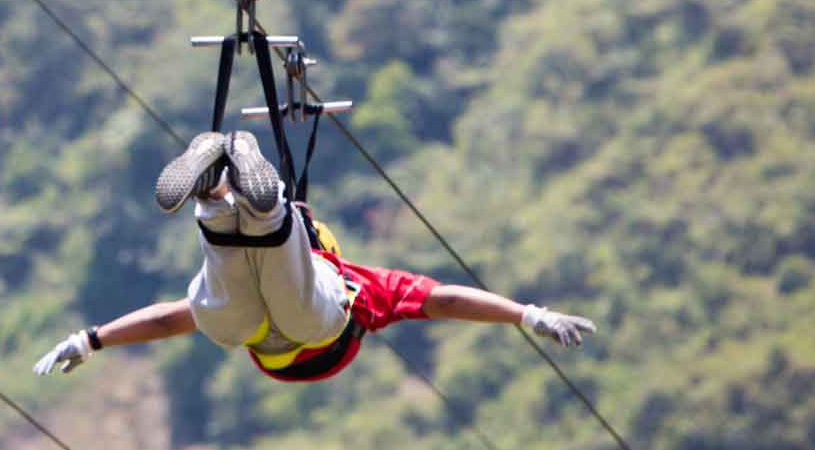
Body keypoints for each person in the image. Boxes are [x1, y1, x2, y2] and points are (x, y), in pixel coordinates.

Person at [33, 131, 593, 380]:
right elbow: (443, 300)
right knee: (252, 288)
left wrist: (94, 338)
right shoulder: (357, 286)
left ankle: (217, 197)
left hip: (256, 330)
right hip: (307, 325)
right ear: (326, 252)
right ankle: (253, 207)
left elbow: (165, 318)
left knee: (222, 297)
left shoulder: (349, 283)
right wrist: (526, 314)